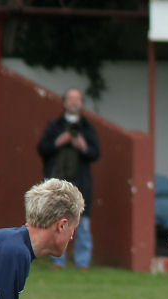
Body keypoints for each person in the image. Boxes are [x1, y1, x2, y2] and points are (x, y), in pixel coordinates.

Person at [37, 87, 100, 270]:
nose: (74, 102)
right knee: (58, 223)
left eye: (77, 99)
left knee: (83, 225)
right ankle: (58, 261)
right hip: (58, 184)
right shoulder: (54, 126)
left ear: (81, 103)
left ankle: (83, 263)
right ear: (64, 102)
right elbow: (42, 148)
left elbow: (95, 153)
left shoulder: (88, 128)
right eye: (70, 99)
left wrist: (83, 146)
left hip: (81, 184)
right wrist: (59, 141)